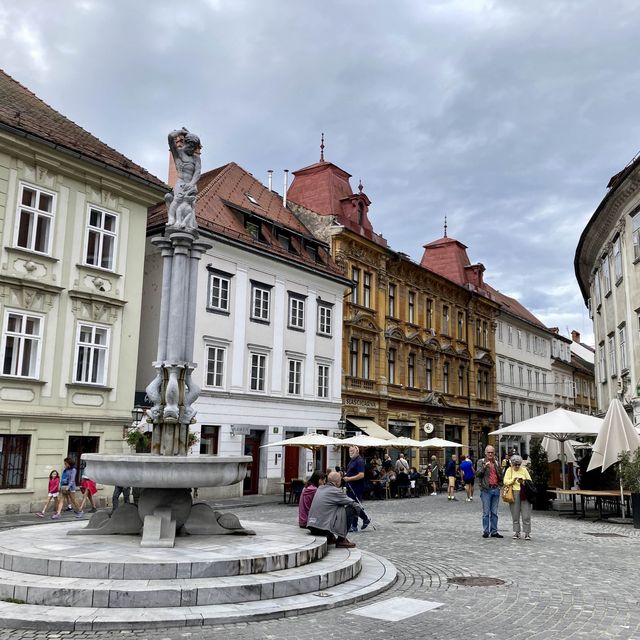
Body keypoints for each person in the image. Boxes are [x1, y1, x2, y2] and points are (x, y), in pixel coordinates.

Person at [306, 470, 361, 548]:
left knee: (334, 507)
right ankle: (341, 539)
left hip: (312, 526)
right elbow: (353, 503)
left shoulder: (320, 488)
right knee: (352, 508)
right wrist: (359, 514)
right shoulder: (335, 491)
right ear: (338, 482)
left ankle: (331, 536)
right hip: (322, 528)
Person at [503, 454, 533, 540]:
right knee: (515, 514)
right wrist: (513, 480)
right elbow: (505, 481)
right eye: (515, 464)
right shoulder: (509, 470)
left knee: (526, 514)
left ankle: (527, 533)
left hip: (524, 492)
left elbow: (530, 481)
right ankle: (517, 532)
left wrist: (523, 481)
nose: (517, 466)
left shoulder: (524, 470)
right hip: (513, 493)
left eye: (519, 464)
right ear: (512, 464)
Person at [476, 445, 503, 538]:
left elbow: (500, 476)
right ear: (485, 453)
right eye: (489, 452)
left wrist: (500, 485)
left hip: (495, 489)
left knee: (494, 512)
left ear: (494, 453)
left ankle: (494, 531)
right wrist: (484, 467)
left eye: (492, 452)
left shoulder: (496, 462)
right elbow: (478, 474)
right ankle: (486, 531)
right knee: (486, 512)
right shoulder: (481, 462)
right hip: (486, 490)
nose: (490, 454)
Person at [344, 446, 371, 532]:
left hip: (356, 487)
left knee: (354, 505)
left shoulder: (359, 461)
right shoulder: (352, 460)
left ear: (357, 451)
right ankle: (362, 521)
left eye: (352, 451)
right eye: (349, 451)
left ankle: (357, 523)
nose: (350, 452)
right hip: (350, 486)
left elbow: (361, 475)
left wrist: (349, 478)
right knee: (352, 505)